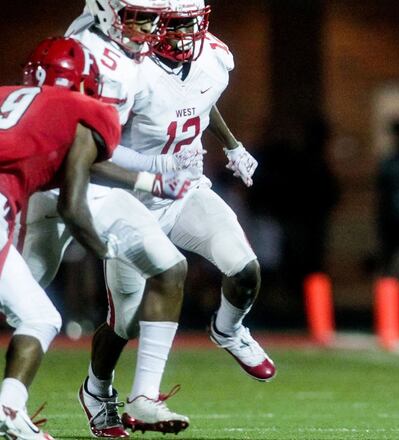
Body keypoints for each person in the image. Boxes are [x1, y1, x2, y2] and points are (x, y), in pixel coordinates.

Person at [83, 2, 275, 433]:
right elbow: (100, 149)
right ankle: (97, 387)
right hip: (130, 200)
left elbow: (200, 102)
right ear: (153, 23)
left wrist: (231, 144)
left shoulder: (215, 56)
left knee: (245, 269)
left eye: (192, 22)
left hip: (186, 193)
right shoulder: (129, 70)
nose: (186, 32)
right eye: (176, 23)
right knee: (124, 321)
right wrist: (158, 169)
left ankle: (228, 330)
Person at [0, 34, 183, 440]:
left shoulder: (8, 97)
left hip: (22, 204)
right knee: (38, 315)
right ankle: (9, 409)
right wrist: (105, 247)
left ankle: (11, 409)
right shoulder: (84, 109)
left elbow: (67, 162)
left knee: (32, 311)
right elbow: (73, 197)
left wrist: (146, 181)